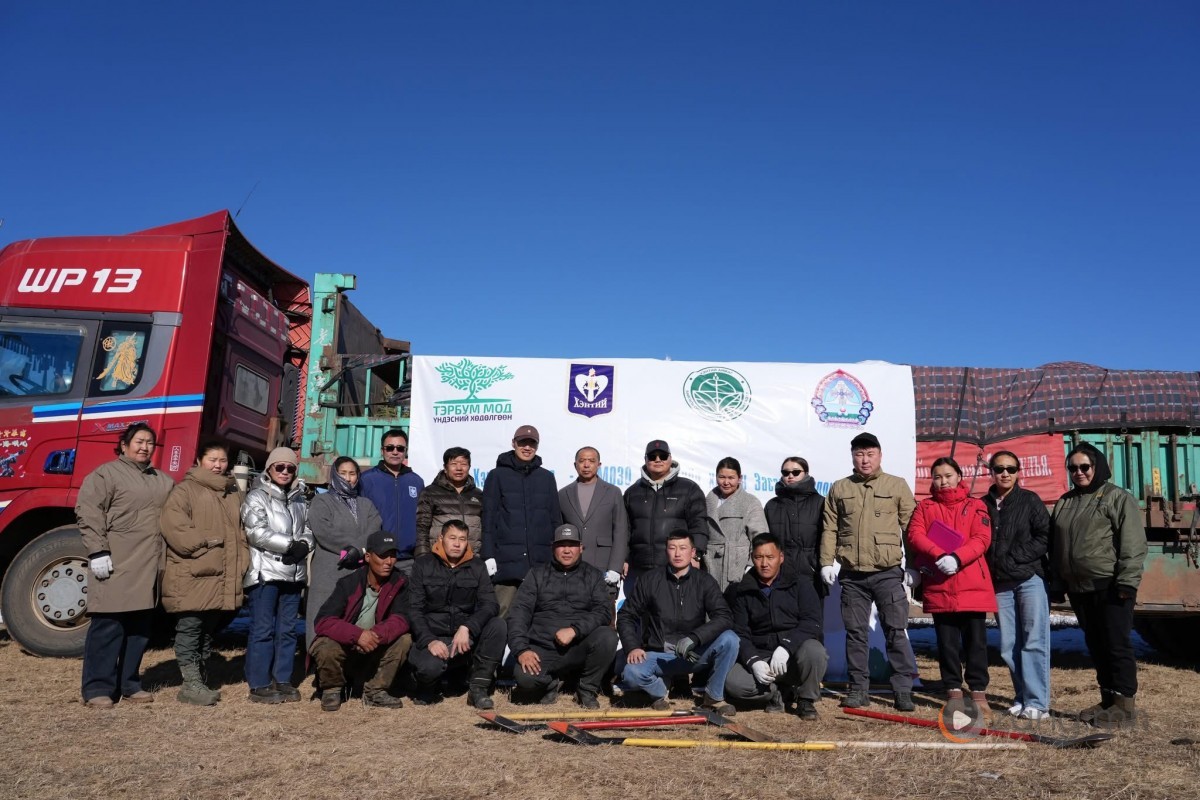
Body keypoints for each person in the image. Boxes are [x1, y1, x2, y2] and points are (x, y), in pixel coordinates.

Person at [76, 423, 175, 708]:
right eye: (139, 441)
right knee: (108, 625)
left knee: (139, 629)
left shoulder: (163, 480)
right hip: (116, 560)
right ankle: (97, 687)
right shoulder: (106, 474)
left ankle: (129, 683)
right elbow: (88, 511)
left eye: (150, 443)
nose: (145, 447)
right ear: (124, 445)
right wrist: (97, 551)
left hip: (149, 563)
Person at [819, 432, 918, 711]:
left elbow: (911, 529)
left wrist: (913, 566)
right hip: (852, 575)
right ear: (852, 456)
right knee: (855, 633)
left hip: (887, 573)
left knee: (895, 631)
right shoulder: (840, 488)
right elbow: (830, 528)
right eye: (859, 454)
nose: (865, 459)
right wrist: (826, 562)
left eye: (870, 454)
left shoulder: (896, 485)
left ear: (880, 455)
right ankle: (858, 689)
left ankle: (902, 690)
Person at [1051, 442, 1147, 727]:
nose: (1078, 472)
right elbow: (1056, 546)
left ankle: (1125, 707)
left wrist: (1127, 582)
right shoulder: (1065, 502)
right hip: (1079, 588)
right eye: (1073, 468)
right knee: (1096, 644)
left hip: (1111, 585)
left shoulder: (1117, 498)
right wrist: (1057, 582)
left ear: (1098, 467)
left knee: (1116, 644)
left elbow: (1133, 544)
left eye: (1085, 467)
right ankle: (1108, 699)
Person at [906, 457, 997, 724]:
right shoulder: (925, 506)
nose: (943, 481)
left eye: (948, 475)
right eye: (937, 476)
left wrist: (957, 558)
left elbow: (982, 538)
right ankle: (954, 692)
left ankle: (978, 693)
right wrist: (939, 554)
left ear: (959, 476)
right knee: (946, 644)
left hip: (972, 584)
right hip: (940, 585)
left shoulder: (976, 505)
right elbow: (915, 535)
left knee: (976, 643)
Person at [159, 440, 248, 706]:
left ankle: (201, 677)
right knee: (190, 627)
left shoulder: (232, 491)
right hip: (193, 573)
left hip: (221, 573)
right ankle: (190, 684)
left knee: (208, 628)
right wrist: (204, 547)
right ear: (199, 461)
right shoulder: (185, 490)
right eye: (212, 459)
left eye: (222, 460)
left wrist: (243, 559)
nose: (218, 465)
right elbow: (174, 526)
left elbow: (240, 531)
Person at [617, 530, 739, 714]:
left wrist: (695, 637)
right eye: (672, 548)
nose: (677, 553)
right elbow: (626, 615)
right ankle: (660, 692)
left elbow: (724, 616)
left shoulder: (704, 581)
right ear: (666, 551)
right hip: (659, 655)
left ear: (692, 552)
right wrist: (632, 647)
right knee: (631, 674)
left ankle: (713, 697)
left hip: (694, 653)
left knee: (730, 639)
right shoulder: (649, 579)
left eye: (683, 548)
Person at [507, 524, 619, 708]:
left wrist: (575, 630)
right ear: (553, 548)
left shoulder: (593, 575)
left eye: (572, 545)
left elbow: (603, 611)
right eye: (561, 545)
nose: (567, 550)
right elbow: (518, 613)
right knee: (525, 679)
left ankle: (586, 689)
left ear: (581, 548)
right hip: (543, 646)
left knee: (608, 637)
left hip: (578, 645)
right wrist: (521, 650)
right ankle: (551, 684)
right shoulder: (536, 574)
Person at [725, 533, 828, 719]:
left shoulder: (801, 583)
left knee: (815, 652)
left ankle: (806, 699)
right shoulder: (742, 590)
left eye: (770, 557)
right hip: (762, 656)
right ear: (752, 558)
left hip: (793, 656)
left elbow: (812, 622)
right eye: (758, 557)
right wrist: (753, 661)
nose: (764, 563)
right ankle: (777, 693)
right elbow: (740, 632)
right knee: (734, 684)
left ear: (781, 557)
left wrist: (787, 646)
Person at [241, 446, 314, 704]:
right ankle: (259, 683)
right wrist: (290, 545)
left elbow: (309, 528)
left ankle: (282, 679)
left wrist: (305, 544)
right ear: (269, 469)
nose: (285, 471)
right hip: (266, 572)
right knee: (263, 630)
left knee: (288, 630)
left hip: (293, 574)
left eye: (290, 468)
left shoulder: (300, 499)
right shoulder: (256, 497)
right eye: (279, 467)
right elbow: (256, 532)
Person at [982, 450, 1051, 721]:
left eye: (1011, 469)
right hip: (1000, 583)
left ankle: (1037, 703)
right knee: (1008, 644)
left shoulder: (1030, 500)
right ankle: (1021, 697)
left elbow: (1044, 536)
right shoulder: (983, 504)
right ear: (991, 472)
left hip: (1029, 579)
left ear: (1018, 472)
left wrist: (1013, 558)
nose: (1005, 474)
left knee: (1033, 640)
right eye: (999, 469)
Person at [407, 519, 505, 709]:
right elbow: (414, 609)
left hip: (464, 640)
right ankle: (428, 685)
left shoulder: (477, 566)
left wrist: (468, 627)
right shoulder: (423, 564)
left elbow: (490, 604)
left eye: (462, 539)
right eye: (452, 538)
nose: (457, 544)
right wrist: (429, 640)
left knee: (497, 625)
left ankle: (478, 688)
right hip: (434, 637)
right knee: (429, 668)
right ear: (441, 538)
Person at [310, 531, 411, 711]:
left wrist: (373, 636)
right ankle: (332, 689)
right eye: (382, 556)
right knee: (324, 644)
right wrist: (357, 635)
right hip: (347, 649)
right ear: (368, 557)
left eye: (393, 555)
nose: (389, 561)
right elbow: (323, 621)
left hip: (376, 647)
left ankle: (375, 691)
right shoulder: (349, 583)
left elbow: (402, 619)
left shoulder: (401, 582)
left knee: (405, 639)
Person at [481, 425, 562, 617]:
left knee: (540, 617)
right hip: (506, 563)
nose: (527, 447)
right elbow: (488, 519)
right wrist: (488, 555)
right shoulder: (497, 476)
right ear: (513, 443)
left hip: (540, 563)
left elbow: (555, 520)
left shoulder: (547, 477)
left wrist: (557, 555)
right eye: (522, 443)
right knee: (501, 616)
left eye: (532, 444)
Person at [305, 456, 383, 651]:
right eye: (343, 473)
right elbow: (324, 531)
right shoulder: (322, 501)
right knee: (324, 618)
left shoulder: (366, 504)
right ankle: (319, 657)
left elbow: (375, 527)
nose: (348, 478)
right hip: (330, 571)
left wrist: (358, 550)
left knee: (355, 618)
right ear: (334, 475)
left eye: (352, 473)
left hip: (359, 571)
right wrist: (354, 546)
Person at [623, 439, 710, 599]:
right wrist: (624, 558)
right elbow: (625, 530)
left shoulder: (689, 489)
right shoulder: (632, 492)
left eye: (662, 456)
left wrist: (696, 555)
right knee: (640, 612)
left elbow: (698, 525)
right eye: (652, 456)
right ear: (645, 460)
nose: (658, 460)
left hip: (676, 569)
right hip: (639, 571)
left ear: (670, 459)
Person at [559, 446, 629, 597]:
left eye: (591, 461)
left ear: (599, 464)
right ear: (575, 465)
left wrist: (615, 568)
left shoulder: (613, 492)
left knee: (604, 610)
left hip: (604, 568)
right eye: (582, 461)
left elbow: (621, 531)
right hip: (572, 570)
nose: (586, 465)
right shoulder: (563, 494)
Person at [360, 429, 425, 577]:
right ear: (382, 450)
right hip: (377, 559)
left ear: (405, 451)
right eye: (390, 448)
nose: (395, 452)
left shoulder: (416, 481)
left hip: (408, 560)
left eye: (400, 448)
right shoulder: (367, 479)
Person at [704, 457, 769, 592]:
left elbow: (760, 537)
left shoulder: (750, 502)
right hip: (710, 564)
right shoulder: (708, 501)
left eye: (731, 478)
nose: (726, 482)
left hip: (738, 566)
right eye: (722, 477)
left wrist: (751, 567)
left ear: (739, 478)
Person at [764, 456, 825, 588]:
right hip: (779, 576)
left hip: (811, 575)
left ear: (806, 473)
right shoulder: (772, 505)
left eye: (796, 472)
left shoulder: (820, 503)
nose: (790, 476)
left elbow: (828, 538)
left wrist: (817, 565)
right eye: (785, 473)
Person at [414, 446, 484, 557]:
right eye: (454, 464)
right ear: (445, 467)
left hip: (472, 558)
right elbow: (421, 528)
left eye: (464, 464)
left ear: (469, 467)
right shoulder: (430, 493)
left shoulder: (479, 495)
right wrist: (423, 557)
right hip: (438, 558)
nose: (459, 468)